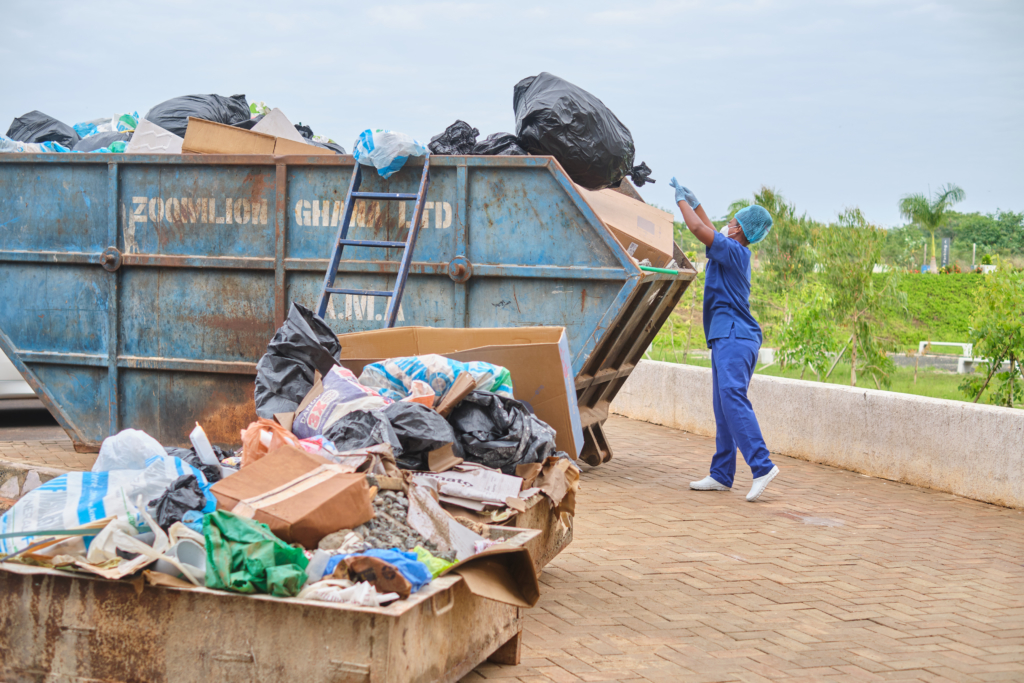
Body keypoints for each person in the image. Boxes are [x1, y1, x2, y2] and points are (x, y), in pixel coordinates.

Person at [670, 178, 780, 502]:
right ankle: (721, 473)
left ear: (739, 230)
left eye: (732, 221)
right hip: (726, 335)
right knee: (722, 407)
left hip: (735, 336)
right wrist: (697, 200)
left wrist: (681, 204)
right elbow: (708, 227)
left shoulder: (733, 251)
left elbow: (698, 229)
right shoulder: (731, 248)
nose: (726, 223)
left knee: (732, 397)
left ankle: (762, 466)